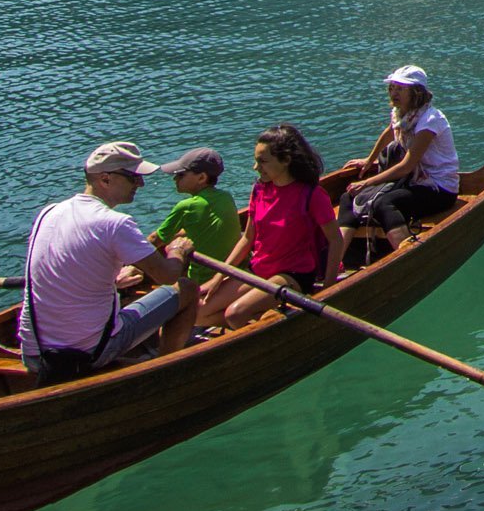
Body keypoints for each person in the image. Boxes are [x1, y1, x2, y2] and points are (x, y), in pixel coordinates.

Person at [19, 142, 188, 386]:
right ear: (105, 179)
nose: (140, 184)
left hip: (33, 353)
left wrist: (114, 279)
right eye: (133, 177)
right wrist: (178, 251)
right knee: (186, 289)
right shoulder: (115, 223)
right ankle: (166, 373)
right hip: (89, 353)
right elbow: (167, 276)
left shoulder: (49, 213)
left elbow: (74, 264)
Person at [198, 123, 345, 334]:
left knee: (235, 314)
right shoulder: (259, 190)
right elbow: (247, 239)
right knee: (199, 312)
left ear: (285, 161)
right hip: (259, 270)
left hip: (293, 274)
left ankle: (260, 326)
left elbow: (335, 240)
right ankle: (264, 317)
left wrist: (329, 289)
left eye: (263, 161)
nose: (256, 168)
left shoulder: (312, 195)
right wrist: (219, 276)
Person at [339, 65, 460, 264]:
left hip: (438, 187)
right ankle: (336, 261)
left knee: (385, 204)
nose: (394, 93)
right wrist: (369, 161)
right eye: (392, 88)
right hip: (412, 180)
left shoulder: (430, 120)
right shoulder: (401, 115)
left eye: (400, 89)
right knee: (348, 197)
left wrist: (367, 183)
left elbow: (406, 165)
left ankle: (407, 261)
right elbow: (390, 132)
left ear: (416, 92)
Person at [146, 148, 239, 353]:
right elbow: (199, 225)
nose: (174, 179)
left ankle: (161, 354)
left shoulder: (186, 206)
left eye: (180, 175)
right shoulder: (226, 197)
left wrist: (128, 264)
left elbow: (154, 240)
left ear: (202, 177)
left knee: (176, 311)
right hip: (231, 275)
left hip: (204, 280)